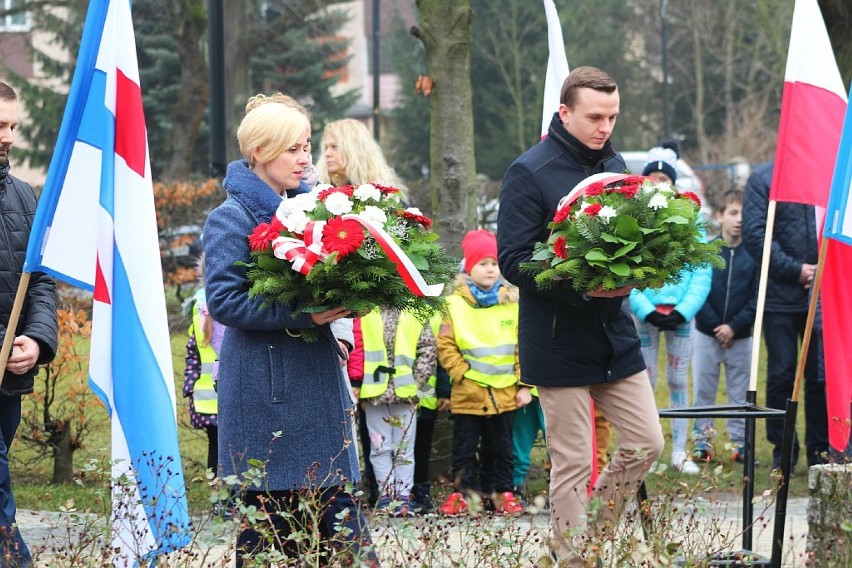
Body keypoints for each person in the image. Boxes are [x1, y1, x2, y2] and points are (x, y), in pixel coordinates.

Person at [498, 66, 664, 563]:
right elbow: (512, 260)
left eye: (613, 116)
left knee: (646, 443)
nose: (605, 127)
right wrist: (584, 283)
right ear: (564, 112)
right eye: (595, 116)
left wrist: (641, 268)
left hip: (615, 334)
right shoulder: (529, 171)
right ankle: (574, 559)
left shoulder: (614, 163)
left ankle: (590, 540)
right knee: (573, 461)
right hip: (555, 336)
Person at [202, 99, 377, 566]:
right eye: (293, 150)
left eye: (306, 146)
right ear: (259, 151)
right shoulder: (232, 217)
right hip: (266, 395)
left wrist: (340, 320)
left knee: (343, 537)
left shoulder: (313, 210)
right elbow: (224, 301)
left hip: (316, 384)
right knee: (269, 536)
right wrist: (306, 314)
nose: (306, 158)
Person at [0, 81, 59, 567]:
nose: (9, 137)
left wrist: (36, 341)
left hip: (8, 378)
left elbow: (40, 281)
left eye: (14, 125)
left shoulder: (24, 197)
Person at [628, 147, 712, 475]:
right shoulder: (633, 218)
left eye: (665, 178)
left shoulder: (690, 217)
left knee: (678, 379)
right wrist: (645, 309)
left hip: (681, 316)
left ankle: (679, 451)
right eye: (653, 177)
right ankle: (646, 453)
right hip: (645, 315)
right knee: (643, 380)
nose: (659, 183)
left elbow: (701, 267)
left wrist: (685, 310)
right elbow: (627, 268)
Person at [742, 161, 829, 471]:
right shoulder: (765, 178)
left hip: (823, 296)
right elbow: (755, 234)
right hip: (780, 297)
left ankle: (822, 452)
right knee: (781, 374)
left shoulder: (828, 173)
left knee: (820, 378)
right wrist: (796, 270)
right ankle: (784, 451)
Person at [437, 229, 525, 516]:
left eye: (494, 263)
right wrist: (461, 373)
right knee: (464, 446)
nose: (490, 269)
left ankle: (501, 493)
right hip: (469, 391)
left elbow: (522, 347)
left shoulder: (512, 303)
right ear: (469, 267)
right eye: (483, 263)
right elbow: (445, 343)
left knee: (501, 448)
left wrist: (524, 385)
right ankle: (465, 495)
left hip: (505, 391)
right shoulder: (453, 304)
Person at [347, 307, 436, 516]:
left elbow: (428, 348)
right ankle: (386, 496)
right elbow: (356, 346)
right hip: (374, 392)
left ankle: (404, 496)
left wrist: (417, 382)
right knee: (379, 447)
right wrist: (357, 383)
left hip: (405, 392)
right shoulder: (365, 311)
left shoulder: (416, 312)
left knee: (404, 448)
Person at [692, 189, 758, 463]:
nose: (738, 219)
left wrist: (733, 327)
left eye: (743, 213)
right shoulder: (707, 251)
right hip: (707, 334)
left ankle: (741, 444)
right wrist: (716, 325)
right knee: (704, 389)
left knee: (739, 392)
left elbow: (756, 297)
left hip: (740, 337)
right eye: (732, 212)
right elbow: (698, 292)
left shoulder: (754, 256)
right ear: (720, 216)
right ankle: (702, 442)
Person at [182, 255, 223, 477]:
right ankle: (230, 498)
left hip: (205, 398)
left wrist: (189, 385)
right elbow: (194, 350)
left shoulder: (200, 308)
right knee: (227, 449)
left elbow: (192, 352)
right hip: (217, 397)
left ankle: (220, 497)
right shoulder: (213, 309)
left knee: (215, 448)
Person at [316, 118, 401, 187]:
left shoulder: (383, 194)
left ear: (354, 149)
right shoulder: (318, 189)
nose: (327, 153)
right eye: (326, 148)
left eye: (334, 147)